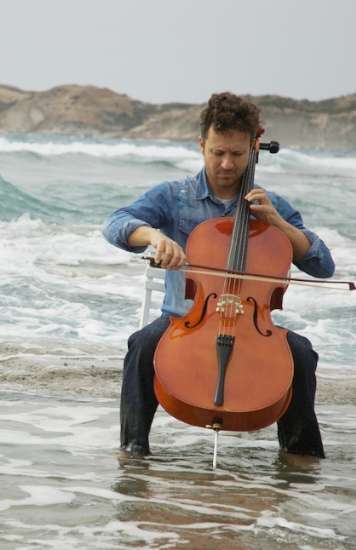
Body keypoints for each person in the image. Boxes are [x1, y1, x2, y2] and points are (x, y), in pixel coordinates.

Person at [101, 92, 334, 459]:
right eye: (217, 152)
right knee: (142, 345)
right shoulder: (175, 197)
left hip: (253, 326)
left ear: (251, 150)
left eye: (238, 154)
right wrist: (156, 236)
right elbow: (115, 223)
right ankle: (132, 449)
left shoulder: (269, 204)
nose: (227, 163)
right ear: (201, 145)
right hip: (184, 319)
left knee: (301, 354)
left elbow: (323, 266)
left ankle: (300, 457)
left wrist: (275, 223)